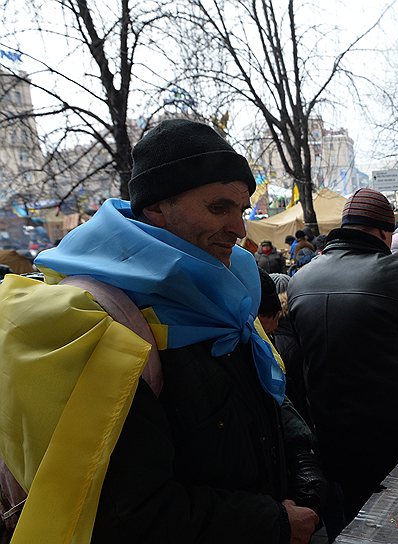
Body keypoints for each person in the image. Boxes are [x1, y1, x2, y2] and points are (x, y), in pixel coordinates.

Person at [0, 119, 324, 543]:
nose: (239, 228)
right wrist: (273, 522)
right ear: (155, 207)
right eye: (217, 208)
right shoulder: (105, 319)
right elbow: (127, 513)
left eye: (240, 210)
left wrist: (302, 470)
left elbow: (265, 404)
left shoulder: (230, 287)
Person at [287, 188, 398, 537]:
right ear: (385, 232)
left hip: (327, 438)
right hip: (391, 441)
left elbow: (300, 359)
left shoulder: (300, 280)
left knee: (349, 527)